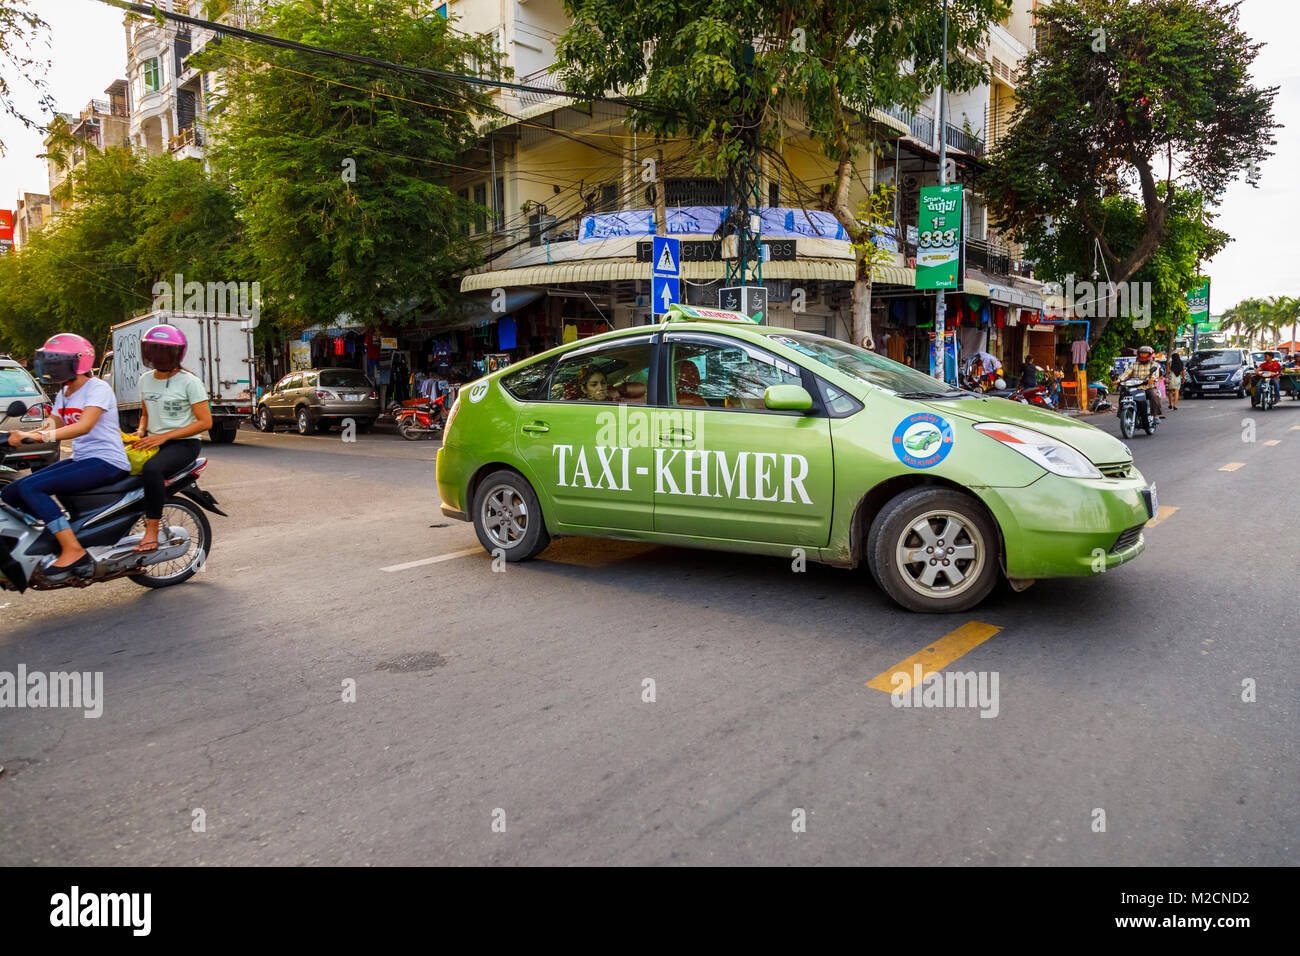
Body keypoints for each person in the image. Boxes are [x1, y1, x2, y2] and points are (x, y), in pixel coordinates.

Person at [1, 333, 130, 580]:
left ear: (78, 362)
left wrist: (43, 437)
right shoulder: (65, 392)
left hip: (107, 461)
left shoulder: (97, 388)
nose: (51, 367)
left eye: (56, 362)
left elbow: (84, 426)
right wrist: (18, 435)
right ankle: (51, 537)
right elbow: (52, 425)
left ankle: (73, 549)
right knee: (11, 492)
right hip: (84, 459)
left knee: (33, 487)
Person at [132, 325, 213, 552]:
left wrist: (163, 436)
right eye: (153, 350)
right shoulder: (145, 380)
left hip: (184, 444)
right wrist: (139, 433)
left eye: (164, 351)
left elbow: (205, 422)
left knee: (151, 470)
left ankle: (152, 531)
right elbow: (146, 415)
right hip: (155, 441)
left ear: (176, 354)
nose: (157, 356)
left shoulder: (190, 382)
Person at [1118, 345, 1163, 419]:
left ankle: (1156, 415)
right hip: (1135, 387)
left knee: (1154, 395)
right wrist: (1119, 380)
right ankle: (1122, 414)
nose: (1143, 355)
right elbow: (1126, 374)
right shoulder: (1134, 365)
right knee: (1123, 393)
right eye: (1142, 353)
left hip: (1148, 386)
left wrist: (1152, 378)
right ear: (1139, 354)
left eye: (1145, 353)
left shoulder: (1155, 364)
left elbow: (1155, 374)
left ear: (1149, 354)